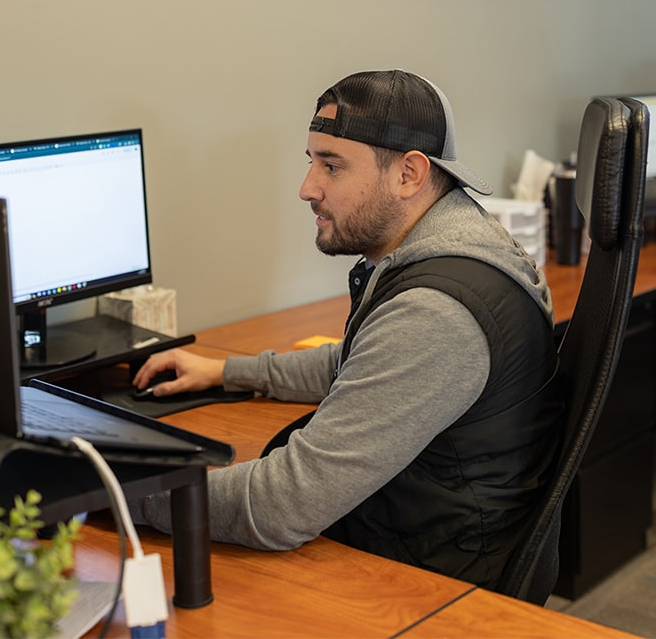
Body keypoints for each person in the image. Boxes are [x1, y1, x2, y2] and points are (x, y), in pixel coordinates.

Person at [132, 69, 563, 588]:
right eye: (312, 161)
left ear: (409, 174)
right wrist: (228, 371)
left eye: (331, 166)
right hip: (418, 533)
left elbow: (280, 506)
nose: (307, 188)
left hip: (427, 584)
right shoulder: (457, 238)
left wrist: (117, 493)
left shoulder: (435, 311)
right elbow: (361, 362)